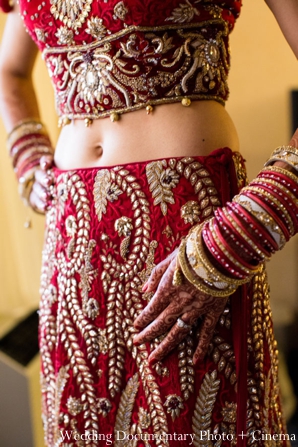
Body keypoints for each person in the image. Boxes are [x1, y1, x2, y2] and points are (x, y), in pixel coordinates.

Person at [0, 0, 298, 446]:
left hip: (189, 240)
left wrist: (237, 238)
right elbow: (9, 70)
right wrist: (28, 157)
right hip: (75, 247)